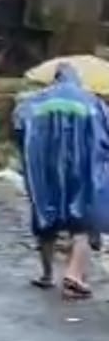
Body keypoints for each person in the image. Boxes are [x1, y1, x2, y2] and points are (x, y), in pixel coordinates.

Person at [14, 64, 109, 299]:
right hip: (82, 169)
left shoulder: (34, 103)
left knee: (46, 219)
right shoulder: (94, 103)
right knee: (84, 223)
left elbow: (19, 126)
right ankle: (74, 275)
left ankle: (47, 275)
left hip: (45, 169)